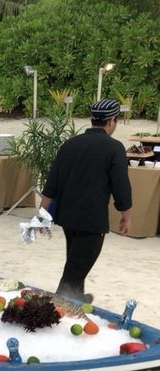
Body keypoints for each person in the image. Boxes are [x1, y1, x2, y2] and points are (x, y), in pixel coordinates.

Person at [39, 98, 132, 303]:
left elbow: (52, 183)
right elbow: (121, 187)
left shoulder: (70, 144)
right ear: (112, 121)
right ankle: (57, 306)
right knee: (75, 269)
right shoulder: (114, 147)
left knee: (75, 262)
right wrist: (126, 216)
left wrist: (41, 215)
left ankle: (77, 299)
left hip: (67, 217)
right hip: (91, 219)